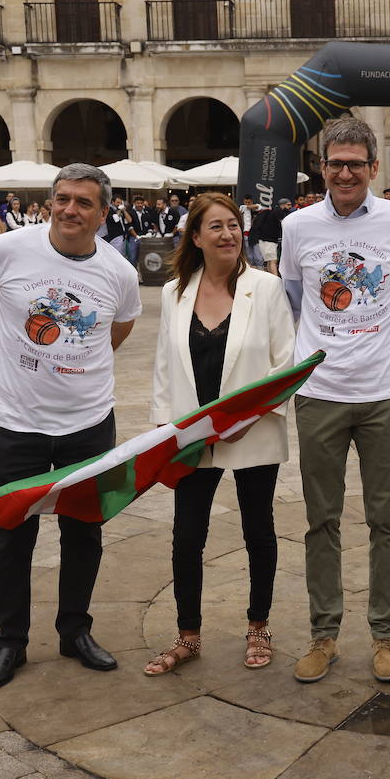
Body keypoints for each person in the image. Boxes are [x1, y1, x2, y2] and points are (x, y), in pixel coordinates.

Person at [0, 163, 142, 690]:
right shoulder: (10, 249)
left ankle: (74, 630)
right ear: (50, 202)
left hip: (88, 423)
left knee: (84, 532)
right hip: (17, 423)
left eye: (84, 202)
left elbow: (121, 324)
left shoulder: (119, 272)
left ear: (103, 213)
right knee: (11, 534)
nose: (70, 210)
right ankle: (10, 640)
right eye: (62, 199)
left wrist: (82, 364)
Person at [280, 116, 390, 685]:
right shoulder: (298, 228)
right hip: (319, 394)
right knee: (322, 520)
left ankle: (385, 635)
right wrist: (324, 347)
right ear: (322, 166)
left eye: (355, 164)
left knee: (385, 521)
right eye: (335, 163)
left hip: (386, 394)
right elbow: (294, 297)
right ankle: (324, 635)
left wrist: (388, 337)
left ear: (373, 168)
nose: (344, 172)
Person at [146, 192, 296, 675]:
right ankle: (188, 634)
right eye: (216, 227)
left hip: (252, 431)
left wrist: (245, 419)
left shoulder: (266, 288)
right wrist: (164, 430)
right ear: (196, 236)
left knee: (258, 530)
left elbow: (284, 365)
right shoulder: (174, 292)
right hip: (192, 435)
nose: (229, 233)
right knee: (187, 535)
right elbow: (165, 368)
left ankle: (259, 625)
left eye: (234, 224)